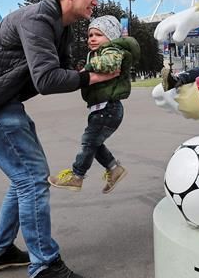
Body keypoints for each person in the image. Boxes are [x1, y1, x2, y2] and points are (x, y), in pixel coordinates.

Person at [0, 0, 119, 278]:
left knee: (24, 177)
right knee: (31, 177)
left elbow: (59, 69)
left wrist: (93, 69)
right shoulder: (38, 19)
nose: (95, 2)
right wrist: (90, 78)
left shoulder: (61, 26)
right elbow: (46, 79)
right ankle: (45, 269)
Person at [48, 15, 140, 193]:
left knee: (88, 142)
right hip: (102, 108)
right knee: (94, 144)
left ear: (111, 37)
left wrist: (88, 67)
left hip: (109, 108)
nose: (92, 39)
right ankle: (114, 169)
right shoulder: (99, 53)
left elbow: (110, 63)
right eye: (90, 35)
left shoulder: (112, 50)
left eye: (98, 34)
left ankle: (77, 176)